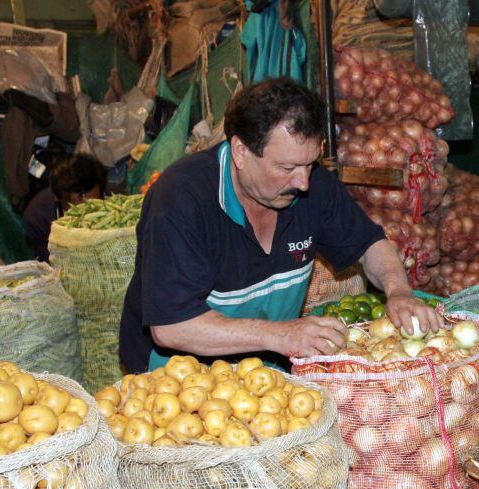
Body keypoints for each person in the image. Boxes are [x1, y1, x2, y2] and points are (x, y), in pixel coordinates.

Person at [119, 78, 440, 373]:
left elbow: (369, 245)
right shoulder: (182, 199)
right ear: (241, 151)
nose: (302, 182)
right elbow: (171, 327)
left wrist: (398, 292)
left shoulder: (313, 185)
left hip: (266, 375)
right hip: (180, 381)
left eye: (309, 164)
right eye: (287, 167)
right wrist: (282, 335)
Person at [23, 154, 107, 261]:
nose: (87, 214)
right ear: (57, 197)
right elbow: (48, 262)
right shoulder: (38, 216)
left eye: (94, 206)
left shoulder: (116, 202)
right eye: (77, 209)